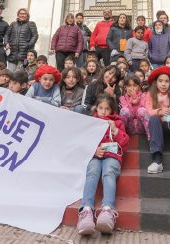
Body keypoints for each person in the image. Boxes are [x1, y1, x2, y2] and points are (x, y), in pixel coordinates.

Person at [76, 94, 130, 236]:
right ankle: (86, 210)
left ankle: (108, 210)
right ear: (96, 108)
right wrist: (93, 151)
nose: (104, 111)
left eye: (107, 109)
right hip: (95, 156)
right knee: (92, 172)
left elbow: (124, 143)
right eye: (101, 108)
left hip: (112, 156)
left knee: (108, 173)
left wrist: (115, 130)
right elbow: (83, 142)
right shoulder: (91, 121)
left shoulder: (117, 122)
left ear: (112, 110)